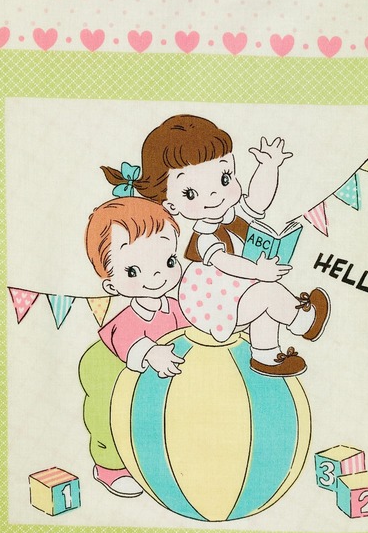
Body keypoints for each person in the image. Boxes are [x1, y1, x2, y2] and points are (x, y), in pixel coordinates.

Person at [102, 115, 330, 377]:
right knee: (266, 292)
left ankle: (266, 356)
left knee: (262, 302)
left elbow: (258, 201)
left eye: (224, 178)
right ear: (172, 205)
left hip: (235, 290)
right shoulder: (204, 236)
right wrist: (257, 271)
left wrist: (269, 166)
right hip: (209, 303)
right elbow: (224, 262)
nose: (214, 194)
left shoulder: (234, 213)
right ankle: (304, 322)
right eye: (191, 193)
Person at [83, 196, 189, 497]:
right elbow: (126, 340)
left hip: (157, 377)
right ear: (111, 285)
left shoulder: (175, 306)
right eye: (133, 271)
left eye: (168, 262)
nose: (156, 276)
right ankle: (110, 468)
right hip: (110, 368)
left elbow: (191, 329)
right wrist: (150, 352)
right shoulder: (126, 319)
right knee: (111, 417)